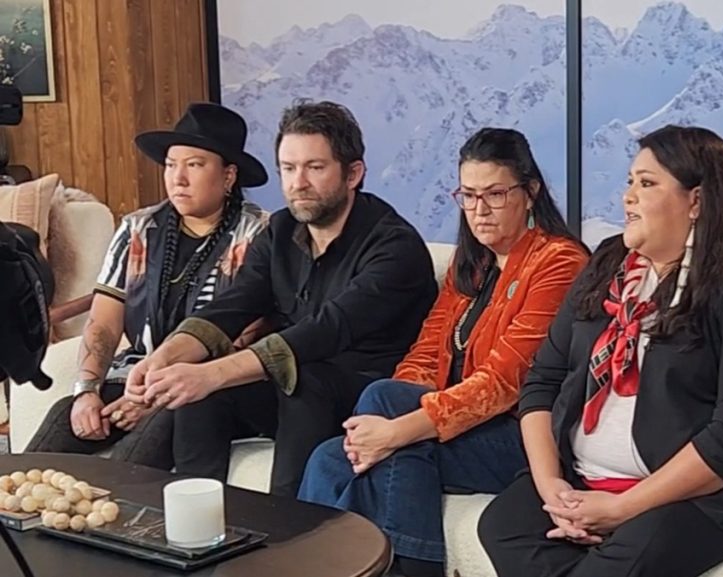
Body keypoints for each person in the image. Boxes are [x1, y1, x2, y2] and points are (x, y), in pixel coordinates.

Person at [478, 125, 723, 577]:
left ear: (696, 200)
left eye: (647, 183)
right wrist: (551, 487)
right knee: (503, 526)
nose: (628, 198)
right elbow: (543, 381)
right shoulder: (609, 262)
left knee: (622, 562)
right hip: (582, 480)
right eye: (630, 181)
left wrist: (621, 509)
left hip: (686, 497)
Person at [298, 128, 589, 577]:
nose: (479, 210)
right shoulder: (470, 264)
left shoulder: (559, 262)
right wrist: (395, 421)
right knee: (330, 456)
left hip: (522, 436)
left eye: (494, 194)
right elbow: (425, 354)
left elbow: (505, 382)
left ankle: (407, 566)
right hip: (460, 427)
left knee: (389, 413)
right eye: (468, 195)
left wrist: (399, 429)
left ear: (529, 193)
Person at [123, 100, 438, 496]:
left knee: (300, 378)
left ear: (353, 173)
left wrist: (210, 373)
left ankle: (290, 533)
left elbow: (324, 332)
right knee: (201, 395)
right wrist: (163, 359)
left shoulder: (395, 246)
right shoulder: (280, 230)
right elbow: (232, 306)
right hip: (294, 392)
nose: (298, 183)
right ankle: (197, 527)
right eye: (288, 169)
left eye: (315, 167)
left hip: (366, 398)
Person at [27, 103, 271, 470]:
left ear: (229, 175)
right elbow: (103, 324)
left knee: (135, 459)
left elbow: (249, 334)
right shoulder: (138, 228)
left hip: (206, 389)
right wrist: (87, 391)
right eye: (172, 165)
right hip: (134, 376)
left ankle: (106, 524)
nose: (178, 178)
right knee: (54, 436)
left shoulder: (259, 234)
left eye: (195, 164)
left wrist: (151, 398)